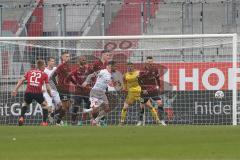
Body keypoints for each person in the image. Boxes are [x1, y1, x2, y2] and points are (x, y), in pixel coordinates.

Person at [11, 60, 52, 126]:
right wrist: (50, 94)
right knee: (45, 105)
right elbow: (47, 86)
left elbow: (21, 80)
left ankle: (21, 117)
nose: (45, 67)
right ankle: (44, 122)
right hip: (38, 93)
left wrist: (15, 90)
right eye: (44, 65)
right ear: (41, 66)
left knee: (25, 103)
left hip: (28, 92)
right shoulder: (44, 74)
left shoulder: (29, 72)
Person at [82, 61, 117, 126]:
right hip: (95, 91)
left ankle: (95, 119)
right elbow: (90, 75)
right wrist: (86, 82)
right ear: (110, 66)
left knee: (107, 108)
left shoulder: (111, 74)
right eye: (115, 66)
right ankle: (88, 113)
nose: (116, 67)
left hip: (102, 93)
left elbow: (110, 83)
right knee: (95, 111)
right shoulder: (103, 71)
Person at [138, 56, 166, 126]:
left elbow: (157, 78)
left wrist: (159, 86)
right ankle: (140, 121)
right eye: (148, 61)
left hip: (153, 89)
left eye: (151, 61)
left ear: (153, 62)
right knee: (141, 105)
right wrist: (143, 89)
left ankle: (162, 120)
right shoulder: (142, 70)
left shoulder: (155, 69)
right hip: (144, 90)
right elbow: (139, 80)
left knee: (160, 103)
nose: (150, 63)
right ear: (146, 62)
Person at [65, 56, 93, 125]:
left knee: (90, 105)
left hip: (87, 91)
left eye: (85, 60)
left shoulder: (89, 70)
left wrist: (91, 84)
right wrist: (76, 84)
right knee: (75, 107)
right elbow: (68, 78)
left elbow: (94, 76)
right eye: (82, 60)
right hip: (78, 92)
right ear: (79, 62)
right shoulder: (76, 70)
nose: (84, 61)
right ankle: (73, 122)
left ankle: (85, 121)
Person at [51, 51, 71, 126]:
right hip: (62, 88)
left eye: (69, 56)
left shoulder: (69, 66)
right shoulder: (61, 66)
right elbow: (53, 76)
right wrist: (57, 86)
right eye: (66, 56)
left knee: (68, 106)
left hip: (67, 88)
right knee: (65, 106)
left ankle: (53, 114)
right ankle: (58, 122)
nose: (68, 58)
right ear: (62, 57)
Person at [43, 57, 62, 124]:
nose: (53, 62)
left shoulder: (55, 69)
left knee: (61, 106)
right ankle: (45, 121)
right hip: (47, 91)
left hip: (55, 91)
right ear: (48, 62)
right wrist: (42, 88)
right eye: (51, 61)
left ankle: (52, 115)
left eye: (54, 61)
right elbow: (42, 81)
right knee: (49, 108)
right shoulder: (44, 70)